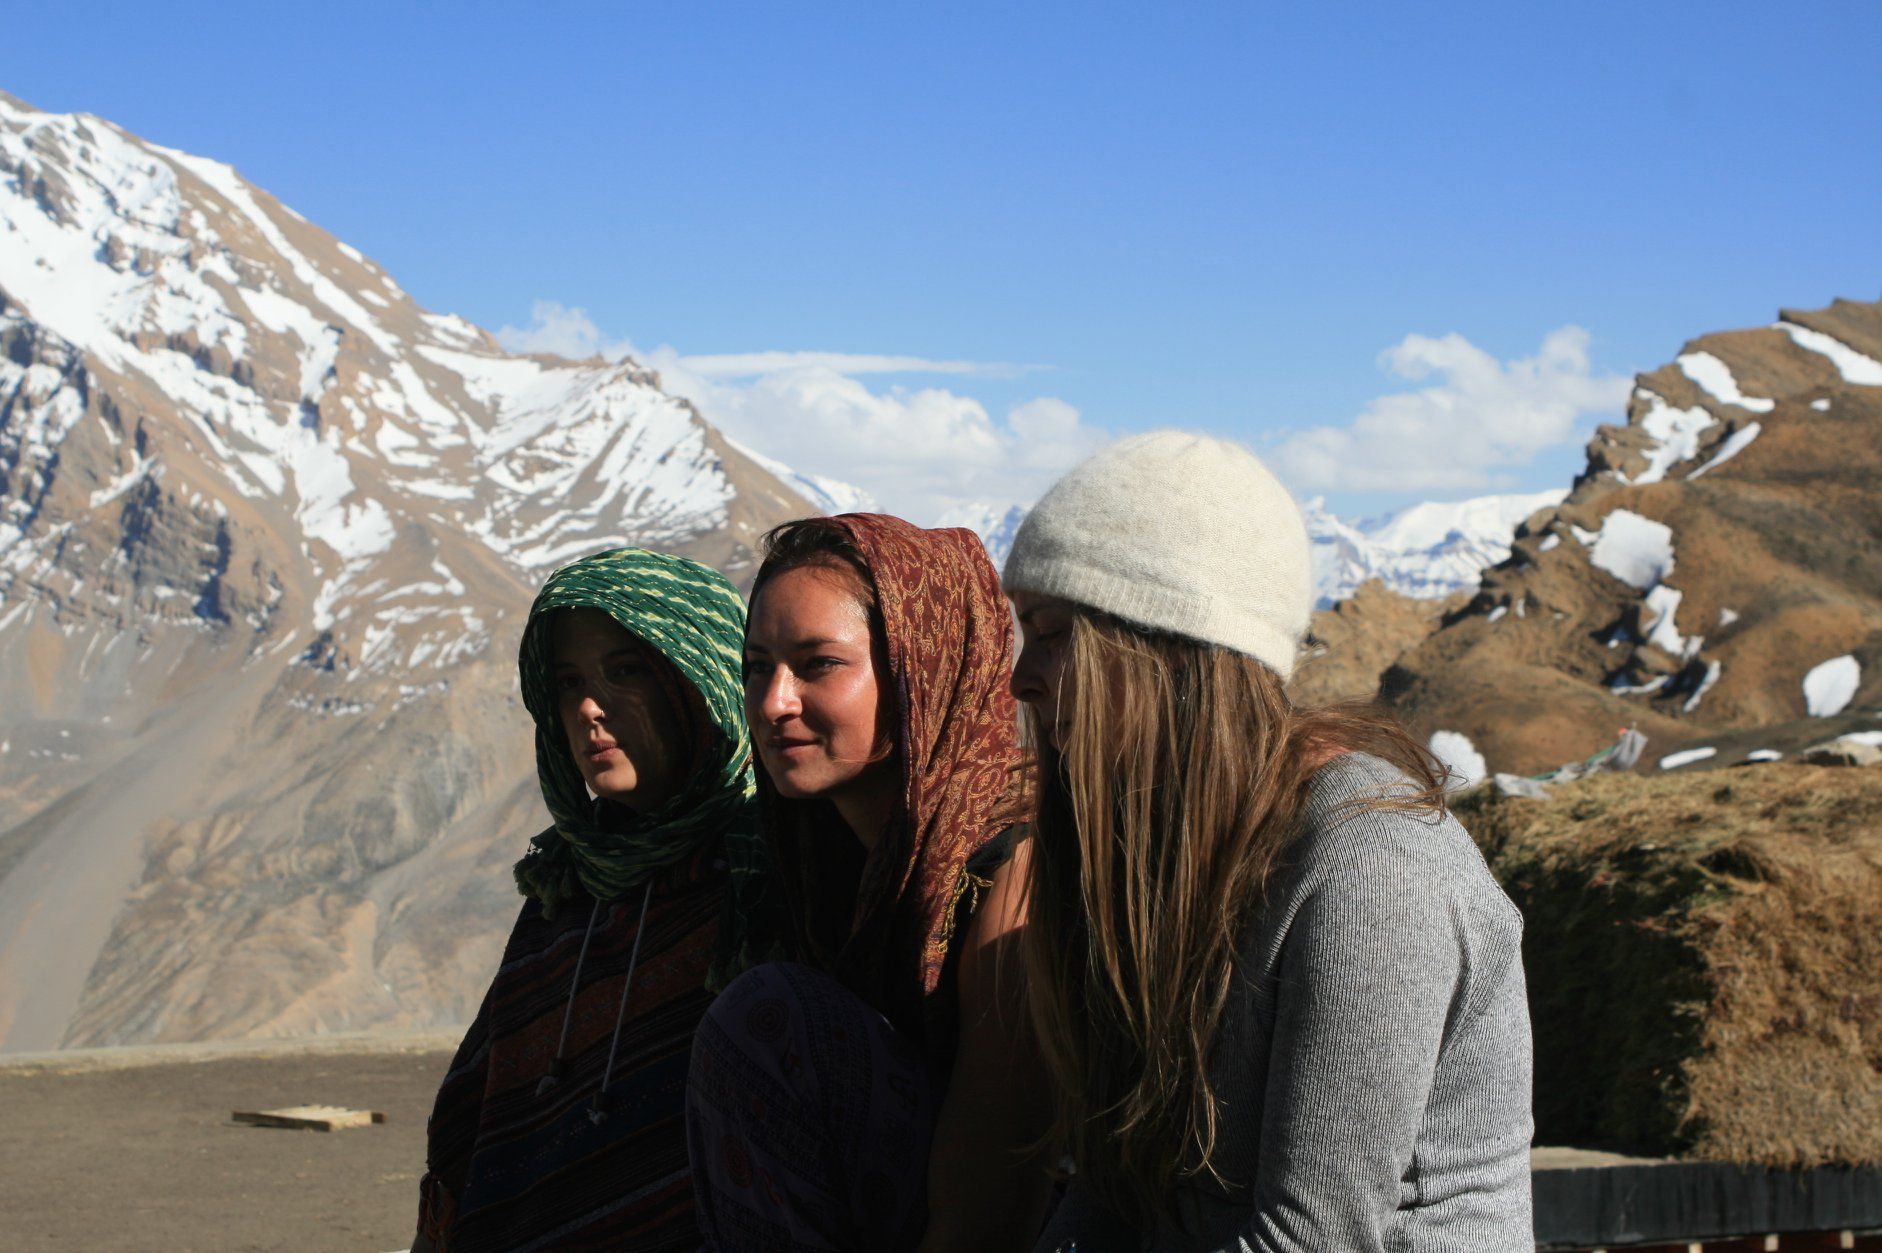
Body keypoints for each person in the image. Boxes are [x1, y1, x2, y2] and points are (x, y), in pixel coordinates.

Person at [1003, 432, 1535, 1253]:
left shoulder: (1372, 871)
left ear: (1165, 643)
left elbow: (1312, 1238)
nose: (1020, 677)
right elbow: (1116, 1192)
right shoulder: (1158, 850)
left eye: (1051, 632)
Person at [686, 513, 1054, 1252]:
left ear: (925, 667)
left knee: (766, 1018)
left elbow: (993, 1191)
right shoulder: (824, 859)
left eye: (817, 663)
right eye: (757, 665)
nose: (772, 702)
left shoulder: (1019, 866)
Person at [415, 548, 780, 1252]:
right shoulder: (565, 887)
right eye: (568, 681)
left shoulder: (766, 880)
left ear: (699, 676)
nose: (587, 706)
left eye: (626, 670)